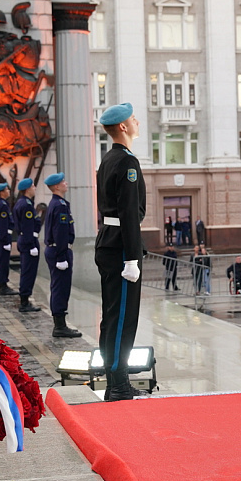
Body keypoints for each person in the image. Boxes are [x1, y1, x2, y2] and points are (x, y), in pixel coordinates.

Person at [95, 102, 146, 401]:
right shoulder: (127, 163)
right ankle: (117, 384)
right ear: (124, 127)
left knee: (113, 315)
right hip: (120, 248)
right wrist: (131, 257)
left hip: (110, 241)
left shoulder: (109, 160)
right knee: (123, 317)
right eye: (133, 119)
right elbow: (129, 212)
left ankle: (117, 377)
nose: (137, 121)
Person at [43, 172, 80, 338]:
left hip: (58, 250)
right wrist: (61, 257)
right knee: (60, 288)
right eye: (63, 181)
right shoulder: (59, 206)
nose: (66, 183)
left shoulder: (58, 203)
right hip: (60, 251)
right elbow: (60, 232)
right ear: (56, 186)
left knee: (59, 286)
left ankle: (60, 323)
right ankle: (59, 326)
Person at [13, 178, 42, 314]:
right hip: (28, 241)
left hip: (25, 239)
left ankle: (25, 298)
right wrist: (31, 245)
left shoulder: (24, 203)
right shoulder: (26, 205)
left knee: (27, 271)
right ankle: (24, 301)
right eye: (33, 186)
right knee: (28, 272)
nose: (34, 188)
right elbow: (27, 226)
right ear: (27, 189)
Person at [0, 182, 17, 297]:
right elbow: (2, 225)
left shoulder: (1, 203)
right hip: (3, 238)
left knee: (2, 262)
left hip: (2, 237)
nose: (8, 191)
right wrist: (6, 241)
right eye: (7, 189)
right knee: (2, 263)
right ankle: (3, 287)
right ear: (2, 192)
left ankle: (3, 285)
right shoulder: (1, 205)